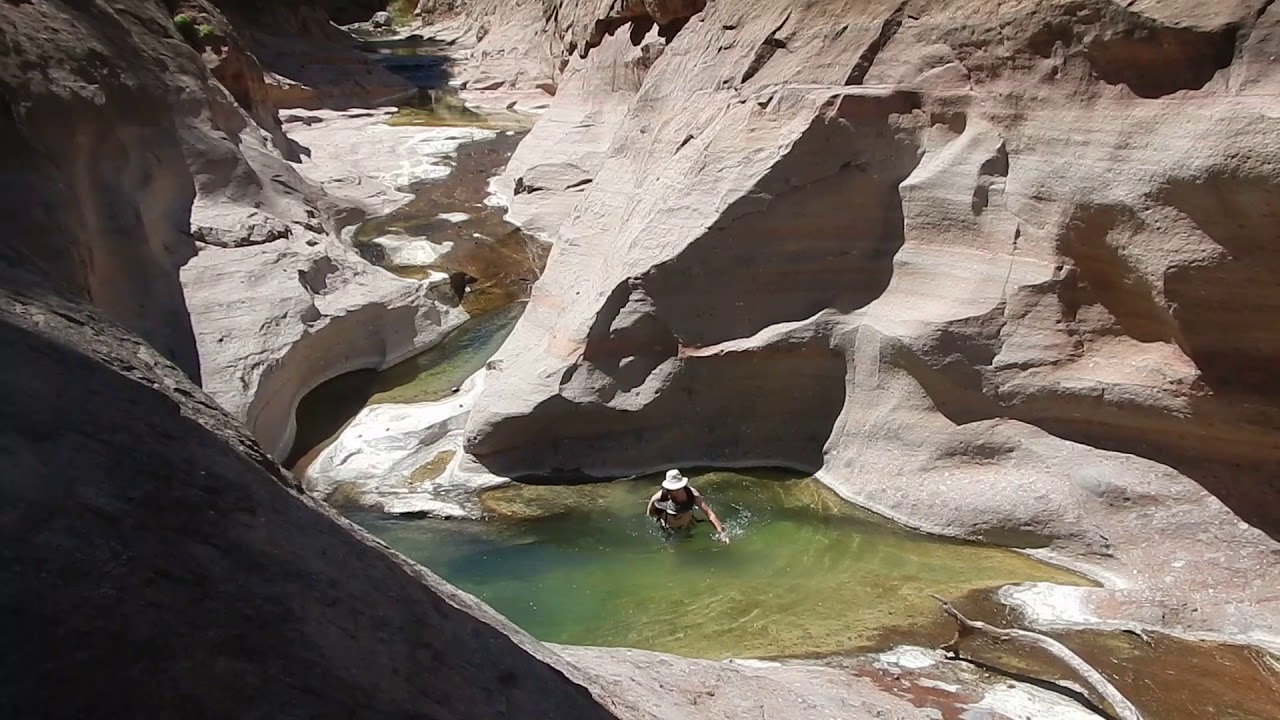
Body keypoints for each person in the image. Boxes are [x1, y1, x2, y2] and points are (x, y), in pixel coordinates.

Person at [646, 469, 730, 543]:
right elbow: (650, 514)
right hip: (668, 526)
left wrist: (721, 533)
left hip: (686, 522)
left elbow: (709, 514)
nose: (675, 491)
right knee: (672, 545)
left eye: (678, 488)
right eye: (672, 489)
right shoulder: (658, 498)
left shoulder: (693, 495)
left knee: (689, 538)